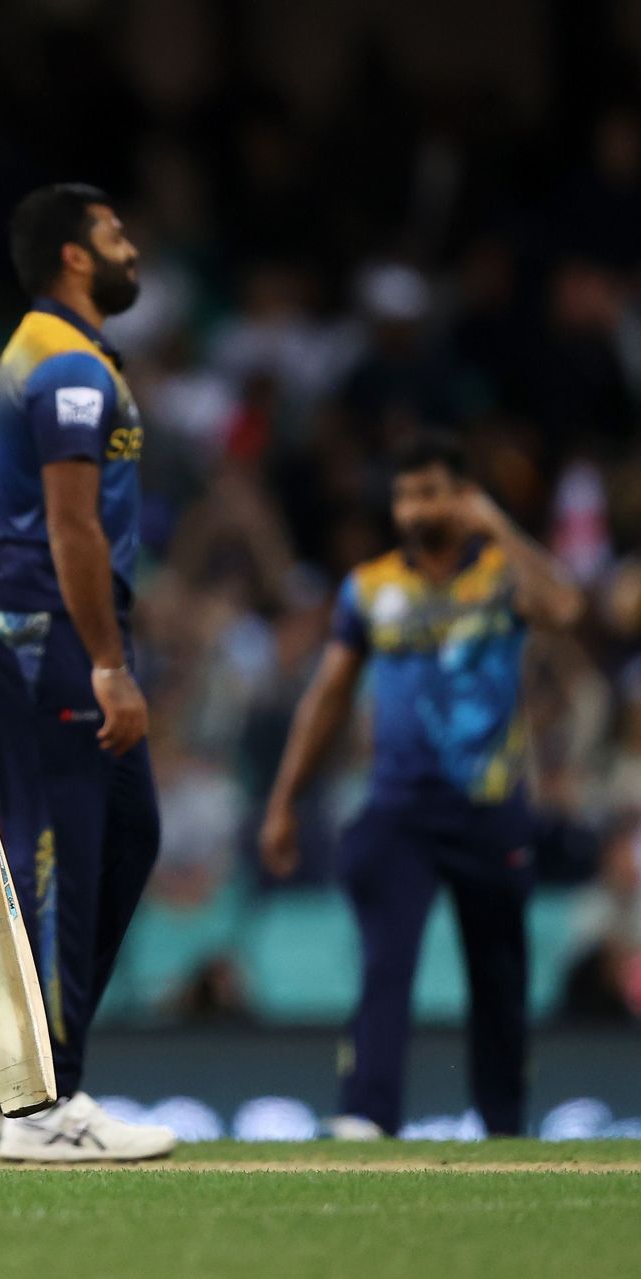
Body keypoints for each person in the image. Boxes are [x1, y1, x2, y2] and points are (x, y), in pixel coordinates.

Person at [0, 184, 177, 1162]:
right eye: (116, 233)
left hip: (57, 626)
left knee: (129, 836)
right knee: (61, 856)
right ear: (75, 255)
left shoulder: (65, 353)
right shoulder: (67, 362)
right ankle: (43, 1103)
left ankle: (12, 1060)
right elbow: (72, 524)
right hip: (49, 630)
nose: (130, 247)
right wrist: (110, 661)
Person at [258, 433, 583, 1138]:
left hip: (490, 806)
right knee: (385, 963)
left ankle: (503, 1123)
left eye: (432, 491)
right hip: (398, 808)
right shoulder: (373, 587)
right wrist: (284, 799)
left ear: (464, 495)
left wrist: (497, 524)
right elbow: (330, 695)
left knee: (499, 976)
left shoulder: (503, 575)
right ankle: (368, 1116)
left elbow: (565, 609)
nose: (415, 507)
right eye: (406, 494)